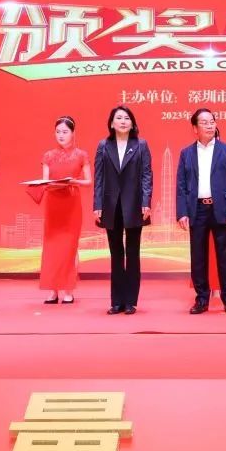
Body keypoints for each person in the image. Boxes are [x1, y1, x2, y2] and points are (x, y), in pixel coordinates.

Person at [177, 109, 226, 315]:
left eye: (212, 121)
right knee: (198, 257)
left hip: (220, 208)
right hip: (197, 209)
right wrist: (182, 212)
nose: (209, 125)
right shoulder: (186, 153)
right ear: (195, 128)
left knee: (225, 256)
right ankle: (201, 299)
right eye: (204, 122)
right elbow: (181, 186)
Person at [93, 105, 153, 315]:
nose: (123, 121)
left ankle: (130, 301)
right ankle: (116, 301)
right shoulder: (103, 146)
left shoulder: (141, 145)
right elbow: (99, 177)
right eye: (118, 118)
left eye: (127, 118)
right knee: (116, 253)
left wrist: (146, 201)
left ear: (132, 123)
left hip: (135, 205)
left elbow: (147, 175)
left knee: (133, 253)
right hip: (110, 205)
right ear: (111, 123)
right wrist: (97, 205)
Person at [35, 116, 91, 305]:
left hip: (72, 204)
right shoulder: (48, 156)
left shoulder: (81, 155)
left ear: (73, 133)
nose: (61, 135)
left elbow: (88, 181)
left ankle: (68, 290)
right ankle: (52, 291)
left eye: (65, 132)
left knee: (69, 248)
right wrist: (42, 185)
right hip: (53, 205)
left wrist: (74, 181)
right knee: (51, 247)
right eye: (58, 132)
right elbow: (45, 181)